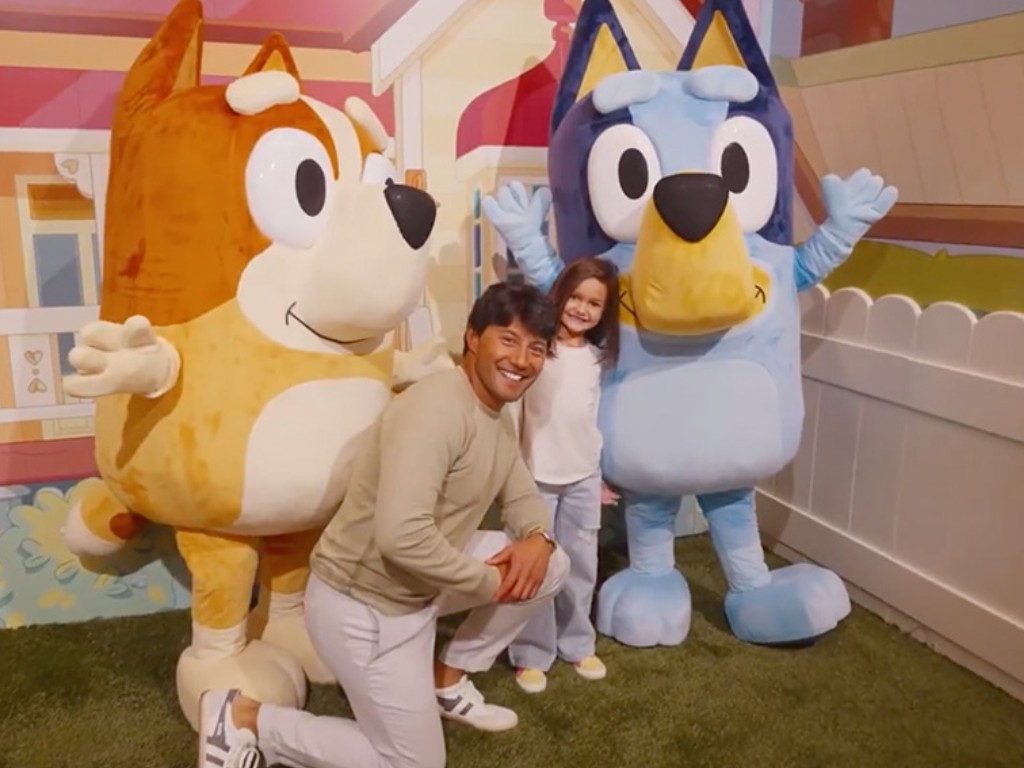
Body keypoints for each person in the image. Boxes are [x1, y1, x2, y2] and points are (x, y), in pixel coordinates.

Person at [196, 281, 571, 768]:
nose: (521, 360)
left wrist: (540, 539)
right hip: (364, 605)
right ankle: (245, 718)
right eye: (509, 339)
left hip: (420, 587)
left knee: (552, 565)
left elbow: (520, 494)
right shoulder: (436, 410)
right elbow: (402, 537)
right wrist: (489, 582)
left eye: (536, 348)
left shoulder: (496, 413)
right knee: (415, 765)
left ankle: (448, 678)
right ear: (473, 337)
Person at [508, 257, 621, 694]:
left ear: (603, 311)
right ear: (560, 294)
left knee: (580, 564)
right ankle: (531, 652)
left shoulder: (597, 360)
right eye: (575, 297)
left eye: (593, 303)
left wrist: (597, 475)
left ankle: (577, 643)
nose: (581, 309)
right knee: (534, 568)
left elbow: (591, 420)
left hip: (583, 479)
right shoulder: (537, 351)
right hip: (535, 478)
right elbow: (516, 413)